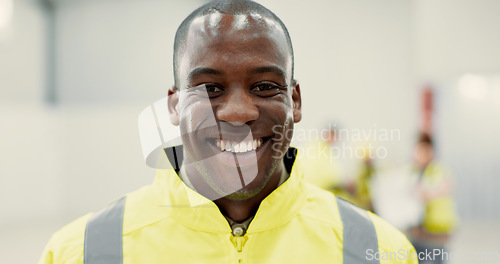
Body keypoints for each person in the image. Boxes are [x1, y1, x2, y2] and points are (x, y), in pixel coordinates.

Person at [39, 1, 418, 263]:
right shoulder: (81, 252)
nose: (238, 113)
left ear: (295, 100)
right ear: (174, 106)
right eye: (209, 89)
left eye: (265, 86)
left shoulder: (382, 250)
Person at [407, 132, 457, 264]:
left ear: (430, 151)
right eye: (417, 150)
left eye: (423, 150)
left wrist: (423, 193)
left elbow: (443, 188)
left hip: (436, 235)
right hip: (417, 234)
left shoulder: (439, 170)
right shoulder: (412, 172)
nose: (419, 154)